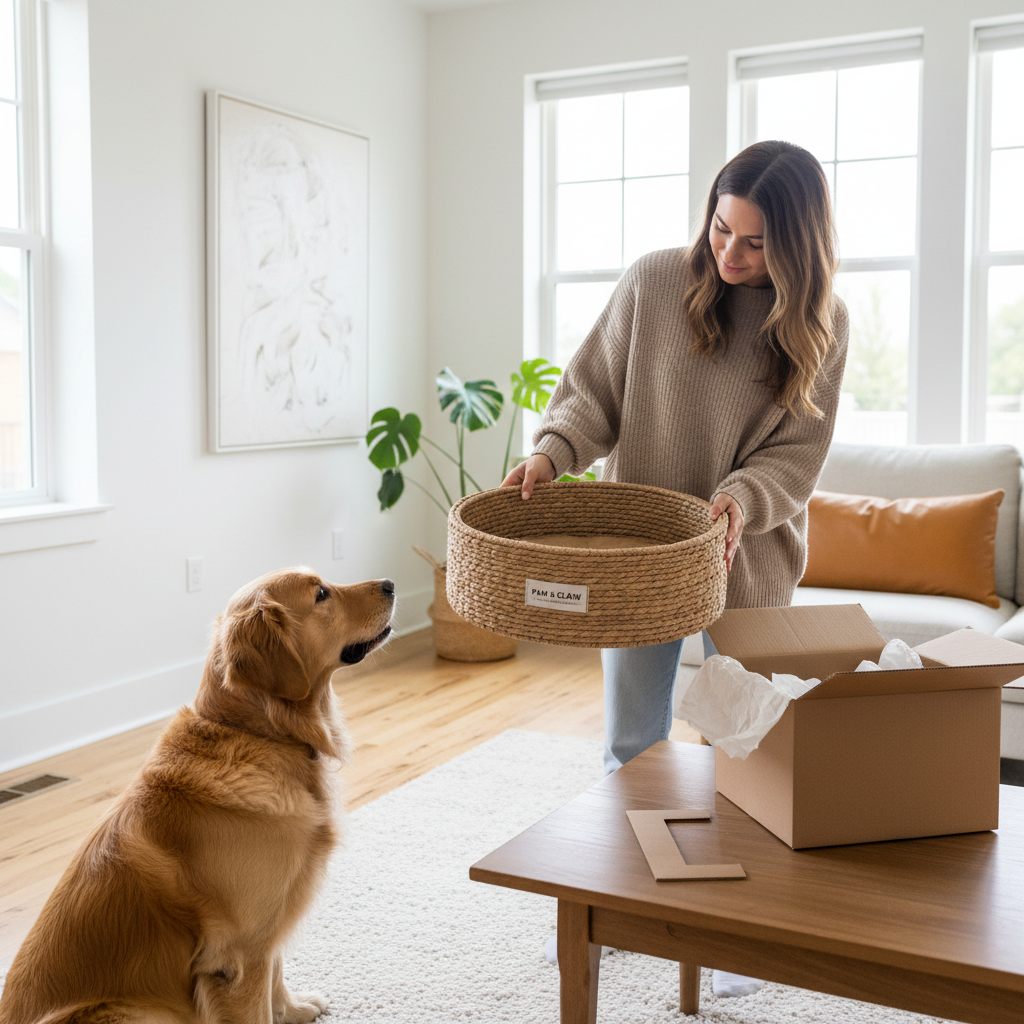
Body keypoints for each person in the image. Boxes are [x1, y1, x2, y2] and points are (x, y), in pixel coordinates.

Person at [502, 141, 849, 988]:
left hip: (750, 559)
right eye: (721, 227)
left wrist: (732, 502)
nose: (727, 254)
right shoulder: (657, 281)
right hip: (645, 561)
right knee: (633, 744)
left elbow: (796, 459)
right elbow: (592, 395)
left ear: (799, 249)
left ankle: (737, 927)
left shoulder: (822, 328)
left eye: (755, 243)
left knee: (750, 751)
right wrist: (551, 454)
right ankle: (620, 905)